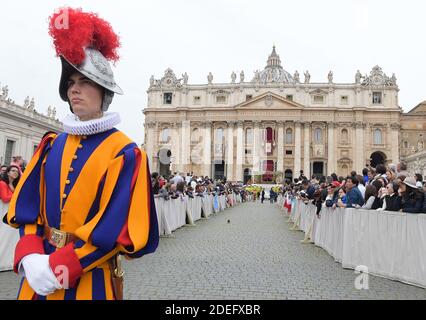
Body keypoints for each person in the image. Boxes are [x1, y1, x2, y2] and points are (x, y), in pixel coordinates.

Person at [4, 8, 158, 300]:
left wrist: (60, 267)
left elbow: (115, 228)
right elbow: (27, 210)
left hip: (90, 279)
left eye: (85, 82)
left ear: (104, 92)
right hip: (38, 275)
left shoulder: (125, 153)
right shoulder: (51, 144)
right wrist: (30, 256)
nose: (75, 90)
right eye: (71, 83)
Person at [0, 165, 21, 271]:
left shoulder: (13, 184)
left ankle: (8, 260)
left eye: (17, 171)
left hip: (9, 213)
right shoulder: (2, 183)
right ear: (7, 172)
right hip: (3, 212)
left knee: (9, 237)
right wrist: (17, 195)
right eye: (13, 171)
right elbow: (5, 198)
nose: (15, 173)